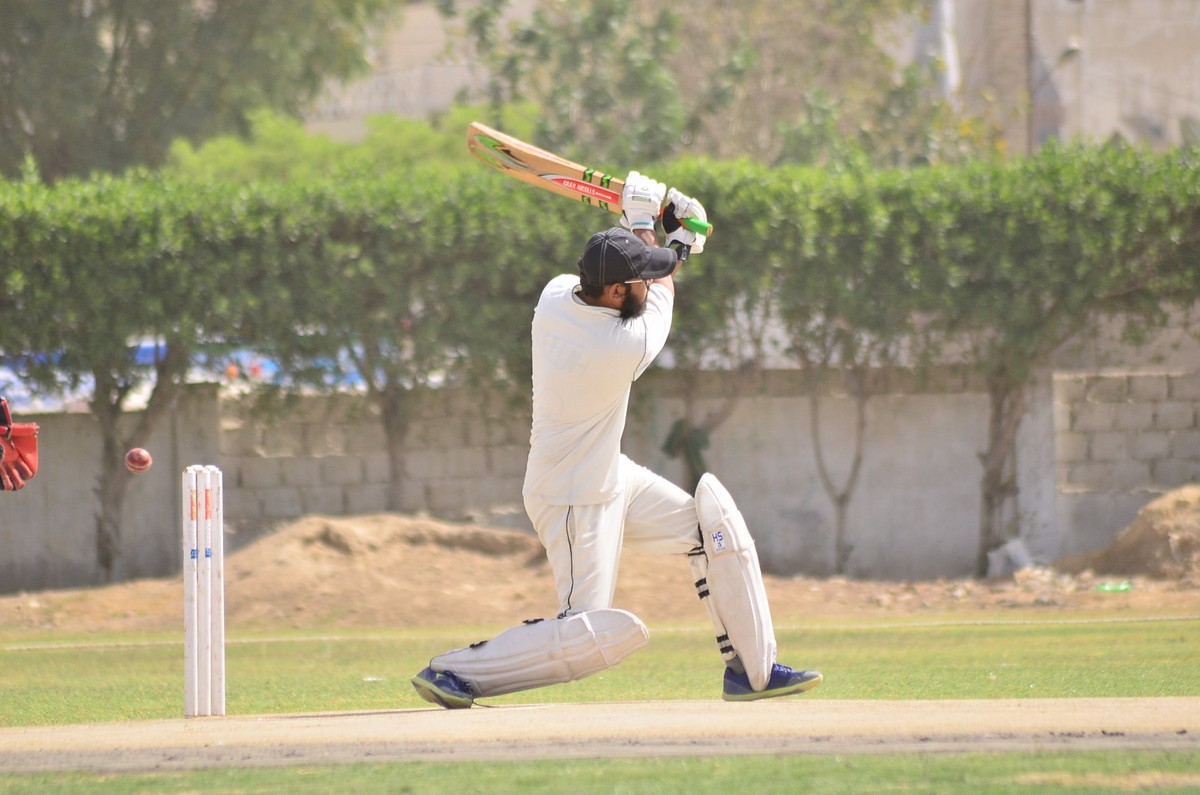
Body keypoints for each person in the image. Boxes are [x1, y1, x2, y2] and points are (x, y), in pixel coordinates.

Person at [411, 172, 822, 708]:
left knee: (711, 530)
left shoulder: (556, 296)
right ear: (614, 293)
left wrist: (652, 230)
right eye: (636, 281)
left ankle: (752, 671)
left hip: (608, 473)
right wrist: (667, 236)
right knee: (586, 633)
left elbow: (637, 272)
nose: (646, 285)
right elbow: (660, 292)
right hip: (572, 495)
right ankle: (453, 672)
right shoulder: (619, 346)